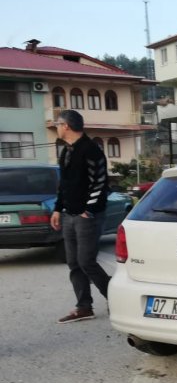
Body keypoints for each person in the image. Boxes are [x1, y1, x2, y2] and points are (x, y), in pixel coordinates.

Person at [50, 110, 110, 323]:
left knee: (87, 261)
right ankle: (84, 306)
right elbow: (63, 185)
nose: (56, 127)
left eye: (57, 124)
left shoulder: (91, 150)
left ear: (66, 126)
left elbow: (100, 182)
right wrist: (58, 209)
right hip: (68, 215)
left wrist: (89, 210)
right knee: (74, 262)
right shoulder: (66, 152)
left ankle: (116, 299)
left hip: (88, 216)